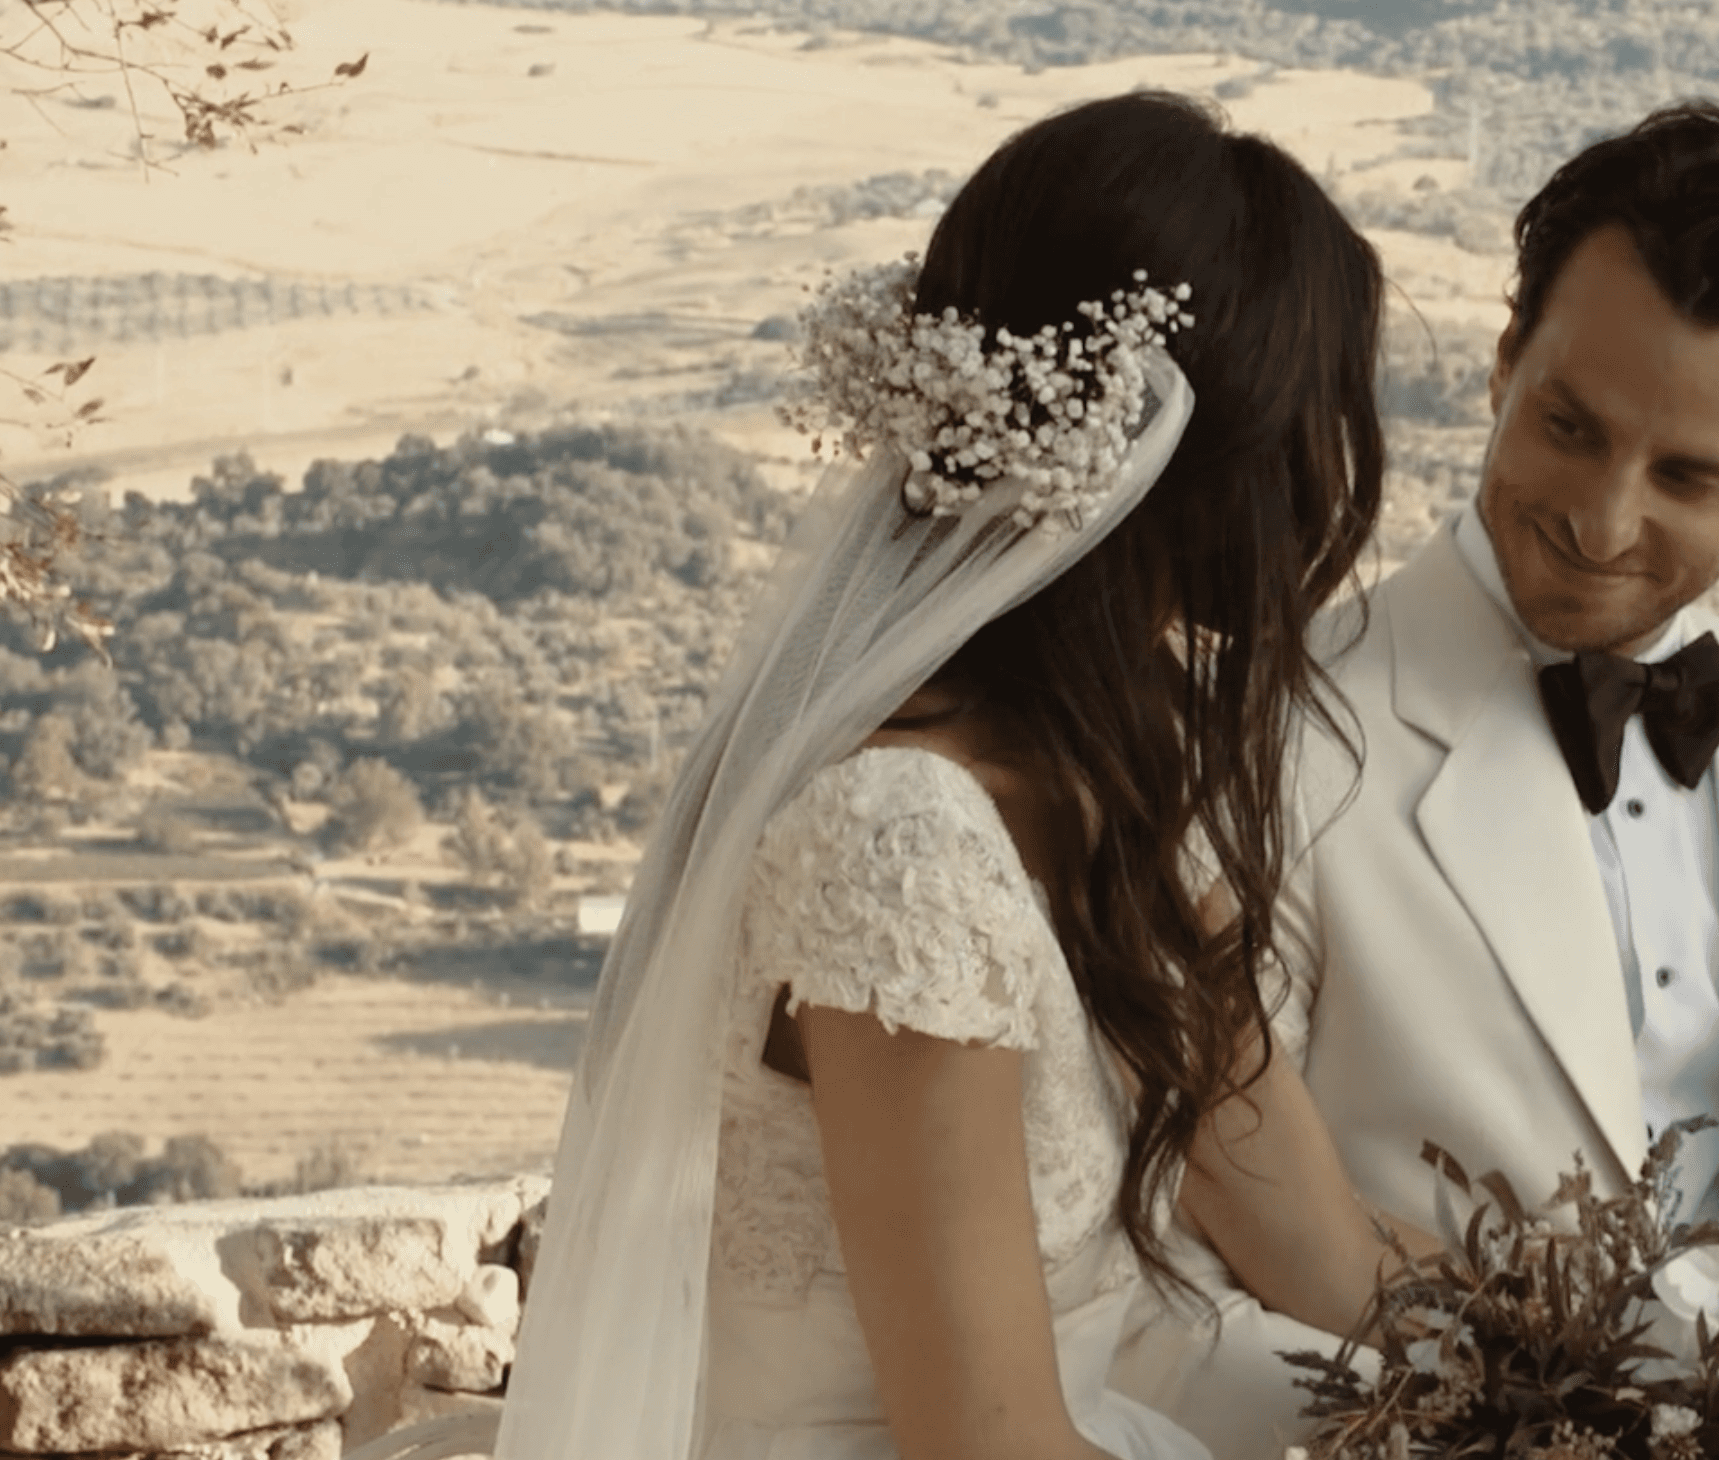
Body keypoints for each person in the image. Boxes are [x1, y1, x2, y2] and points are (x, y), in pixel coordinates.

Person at [356, 92, 1398, 1460]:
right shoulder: (896, 843)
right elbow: (986, 1446)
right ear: (1210, 473)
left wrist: (1641, 1384)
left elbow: (1331, 1259)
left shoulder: (1108, 765)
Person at [1123, 99, 1719, 1460]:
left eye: (1688, 475)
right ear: (1506, 361)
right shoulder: (1268, 738)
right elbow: (1184, 1281)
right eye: (1569, 426)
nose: (1602, 518)